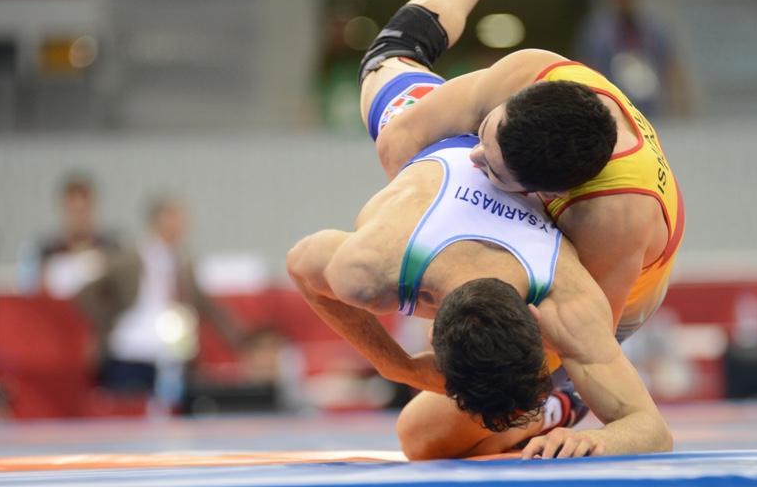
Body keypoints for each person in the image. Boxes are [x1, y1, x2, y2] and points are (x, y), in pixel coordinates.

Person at [359, 0, 684, 345]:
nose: (474, 155)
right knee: (389, 58)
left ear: (541, 191)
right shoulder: (531, 70)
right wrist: (430, 215)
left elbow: (582, 347)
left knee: (487, 384)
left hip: (608, 308)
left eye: (492, 167)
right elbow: (398, 144)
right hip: (537, 198)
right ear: (515, 102)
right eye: (484, 133)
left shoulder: (612, 221)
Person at [287, 134, 672, 460]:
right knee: (419, 438)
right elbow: (302, 263)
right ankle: (555, 408)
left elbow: (652, 429)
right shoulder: (373, 264)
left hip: (630, 248)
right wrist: (396, 366)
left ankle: (562, 396)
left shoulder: (570, 304)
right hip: (448, 165)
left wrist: (596, 441)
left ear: (542, 334)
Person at [76, 196, 254, 408]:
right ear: (156, 222)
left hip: (172, 353)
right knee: (129, 411)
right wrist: (108, 321)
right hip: (133, 349)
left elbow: (206, 305)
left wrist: (241, 339)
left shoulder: (184, 263)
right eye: (172, 219)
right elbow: (88, 292)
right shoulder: (129, 259)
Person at [34, 173, 120, 298]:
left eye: (83, 211)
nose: (79, 218)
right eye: (73, 211)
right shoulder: (46, 252)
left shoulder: (111, 249)